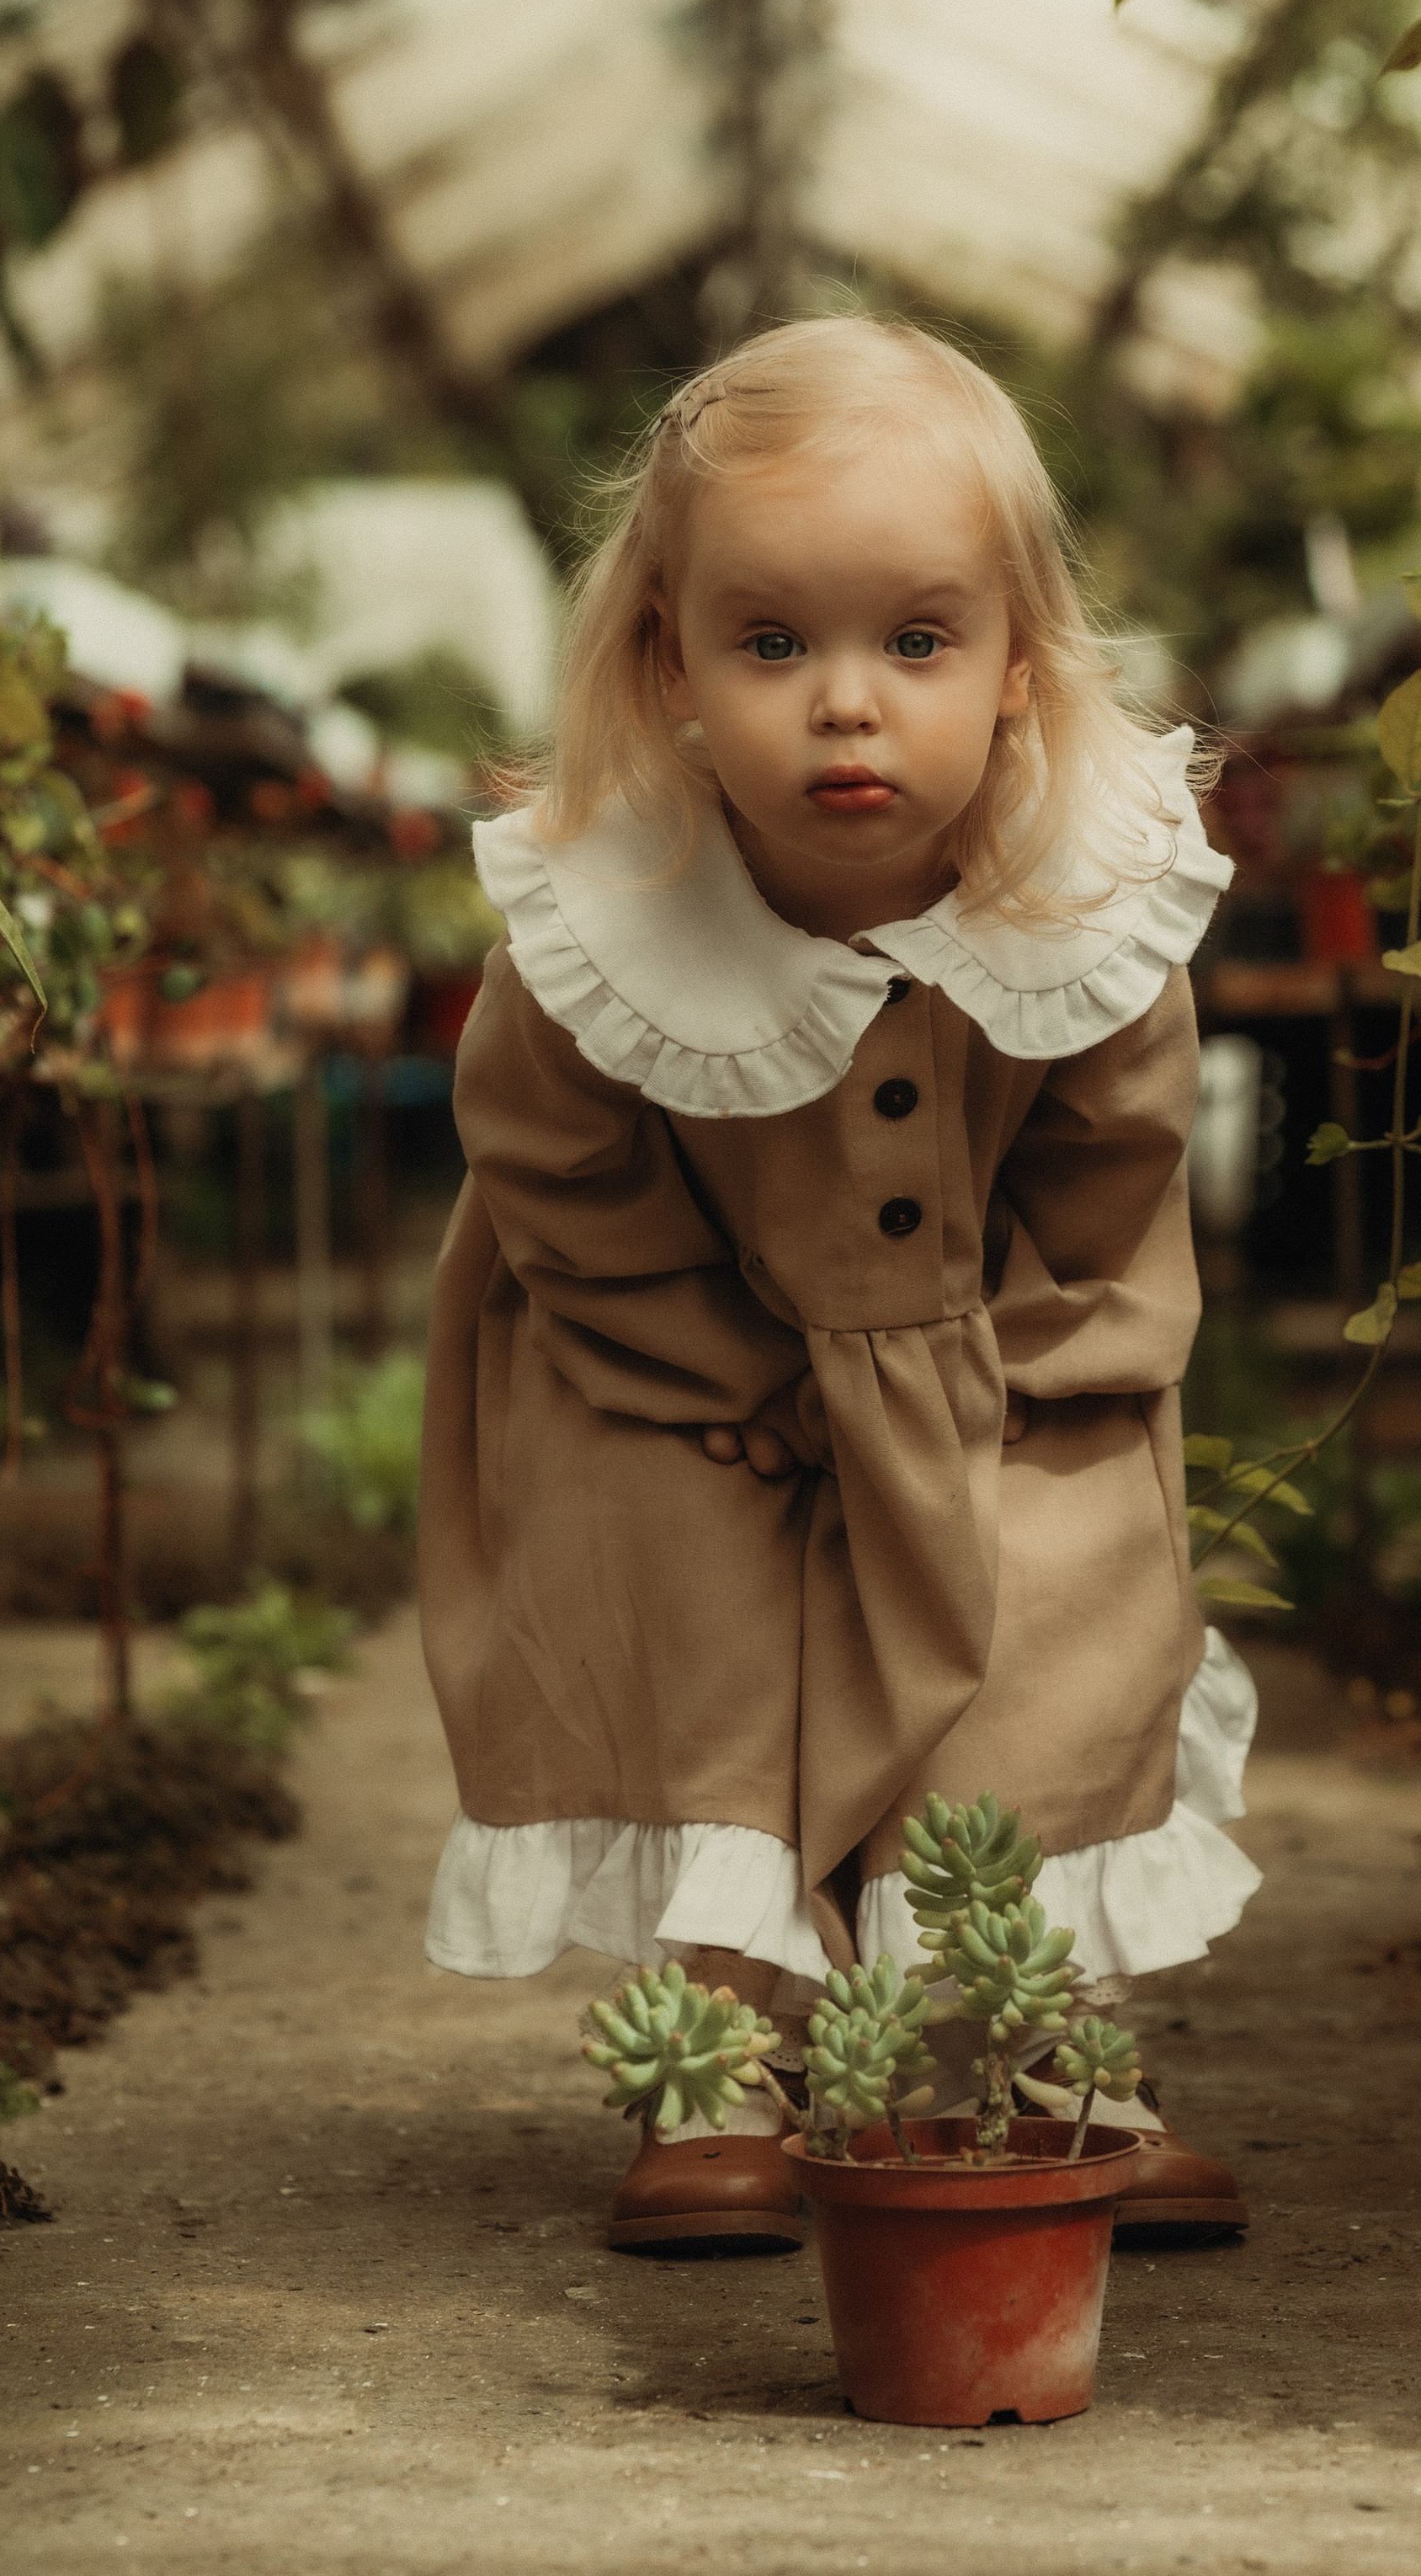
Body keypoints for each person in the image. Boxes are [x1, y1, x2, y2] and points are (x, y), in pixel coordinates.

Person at [418, 315, 1262, 2253]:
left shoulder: (1080, 887)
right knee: (694, 1627)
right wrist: (704, 1356)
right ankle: (721, 2048)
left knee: (1059, 1627)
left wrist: (1042, 1358)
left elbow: (1110, 1160)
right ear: (673, 667)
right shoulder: (609, 910)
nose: (846, 706)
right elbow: (549, 1159)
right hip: (669, 1359)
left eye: (915, 639)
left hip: (997, 1351)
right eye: (772, 643)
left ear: (1018, 662)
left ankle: (1038, 2052)